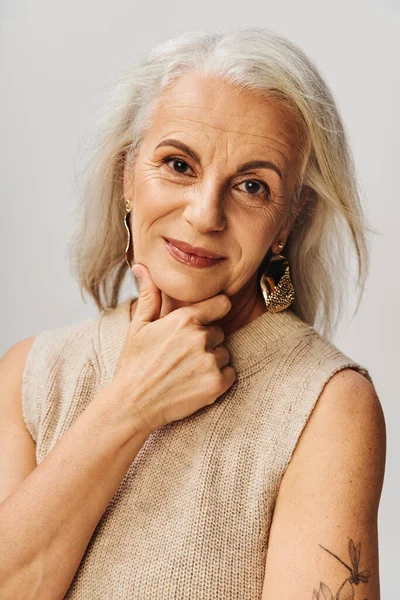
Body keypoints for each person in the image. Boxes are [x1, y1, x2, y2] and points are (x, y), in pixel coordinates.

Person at [0, 27, 386, 600]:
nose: (205, 214)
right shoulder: (32, 374)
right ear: (128, 174)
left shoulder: (326, 403)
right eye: (179, 165)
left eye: (252, 186)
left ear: (287, 221)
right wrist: (128, 406)